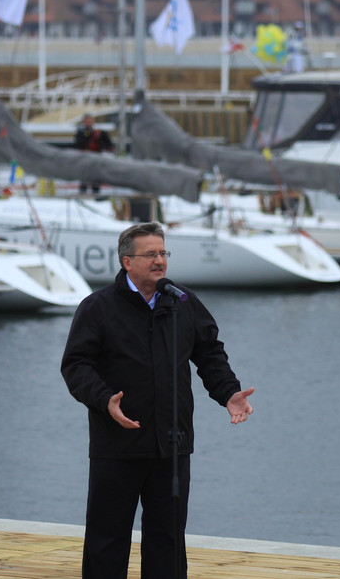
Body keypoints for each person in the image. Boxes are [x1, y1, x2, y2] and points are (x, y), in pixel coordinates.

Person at [61, 222, 255, 579]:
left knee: (167, 540)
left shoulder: (181, 302)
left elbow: (210, 354)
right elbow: (76, 366)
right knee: (108, 539)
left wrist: (228, 392)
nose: (159, 261)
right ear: (127, 261)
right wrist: (105, 401)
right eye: (150, 254)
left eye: (163, 253)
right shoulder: (98, 307)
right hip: (117, 442)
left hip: (173, 444)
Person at [73, 113, 113, 194]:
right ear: (84, 121)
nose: (89, 122)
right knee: (84, 174)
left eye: (91, 120)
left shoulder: (98, 132)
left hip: (95, 156)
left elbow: (107, 143)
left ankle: (96, 190)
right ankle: (83, 191)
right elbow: (78, 143)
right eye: (87, 120)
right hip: (84, 156)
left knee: (95, 174)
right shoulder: (81, 132)